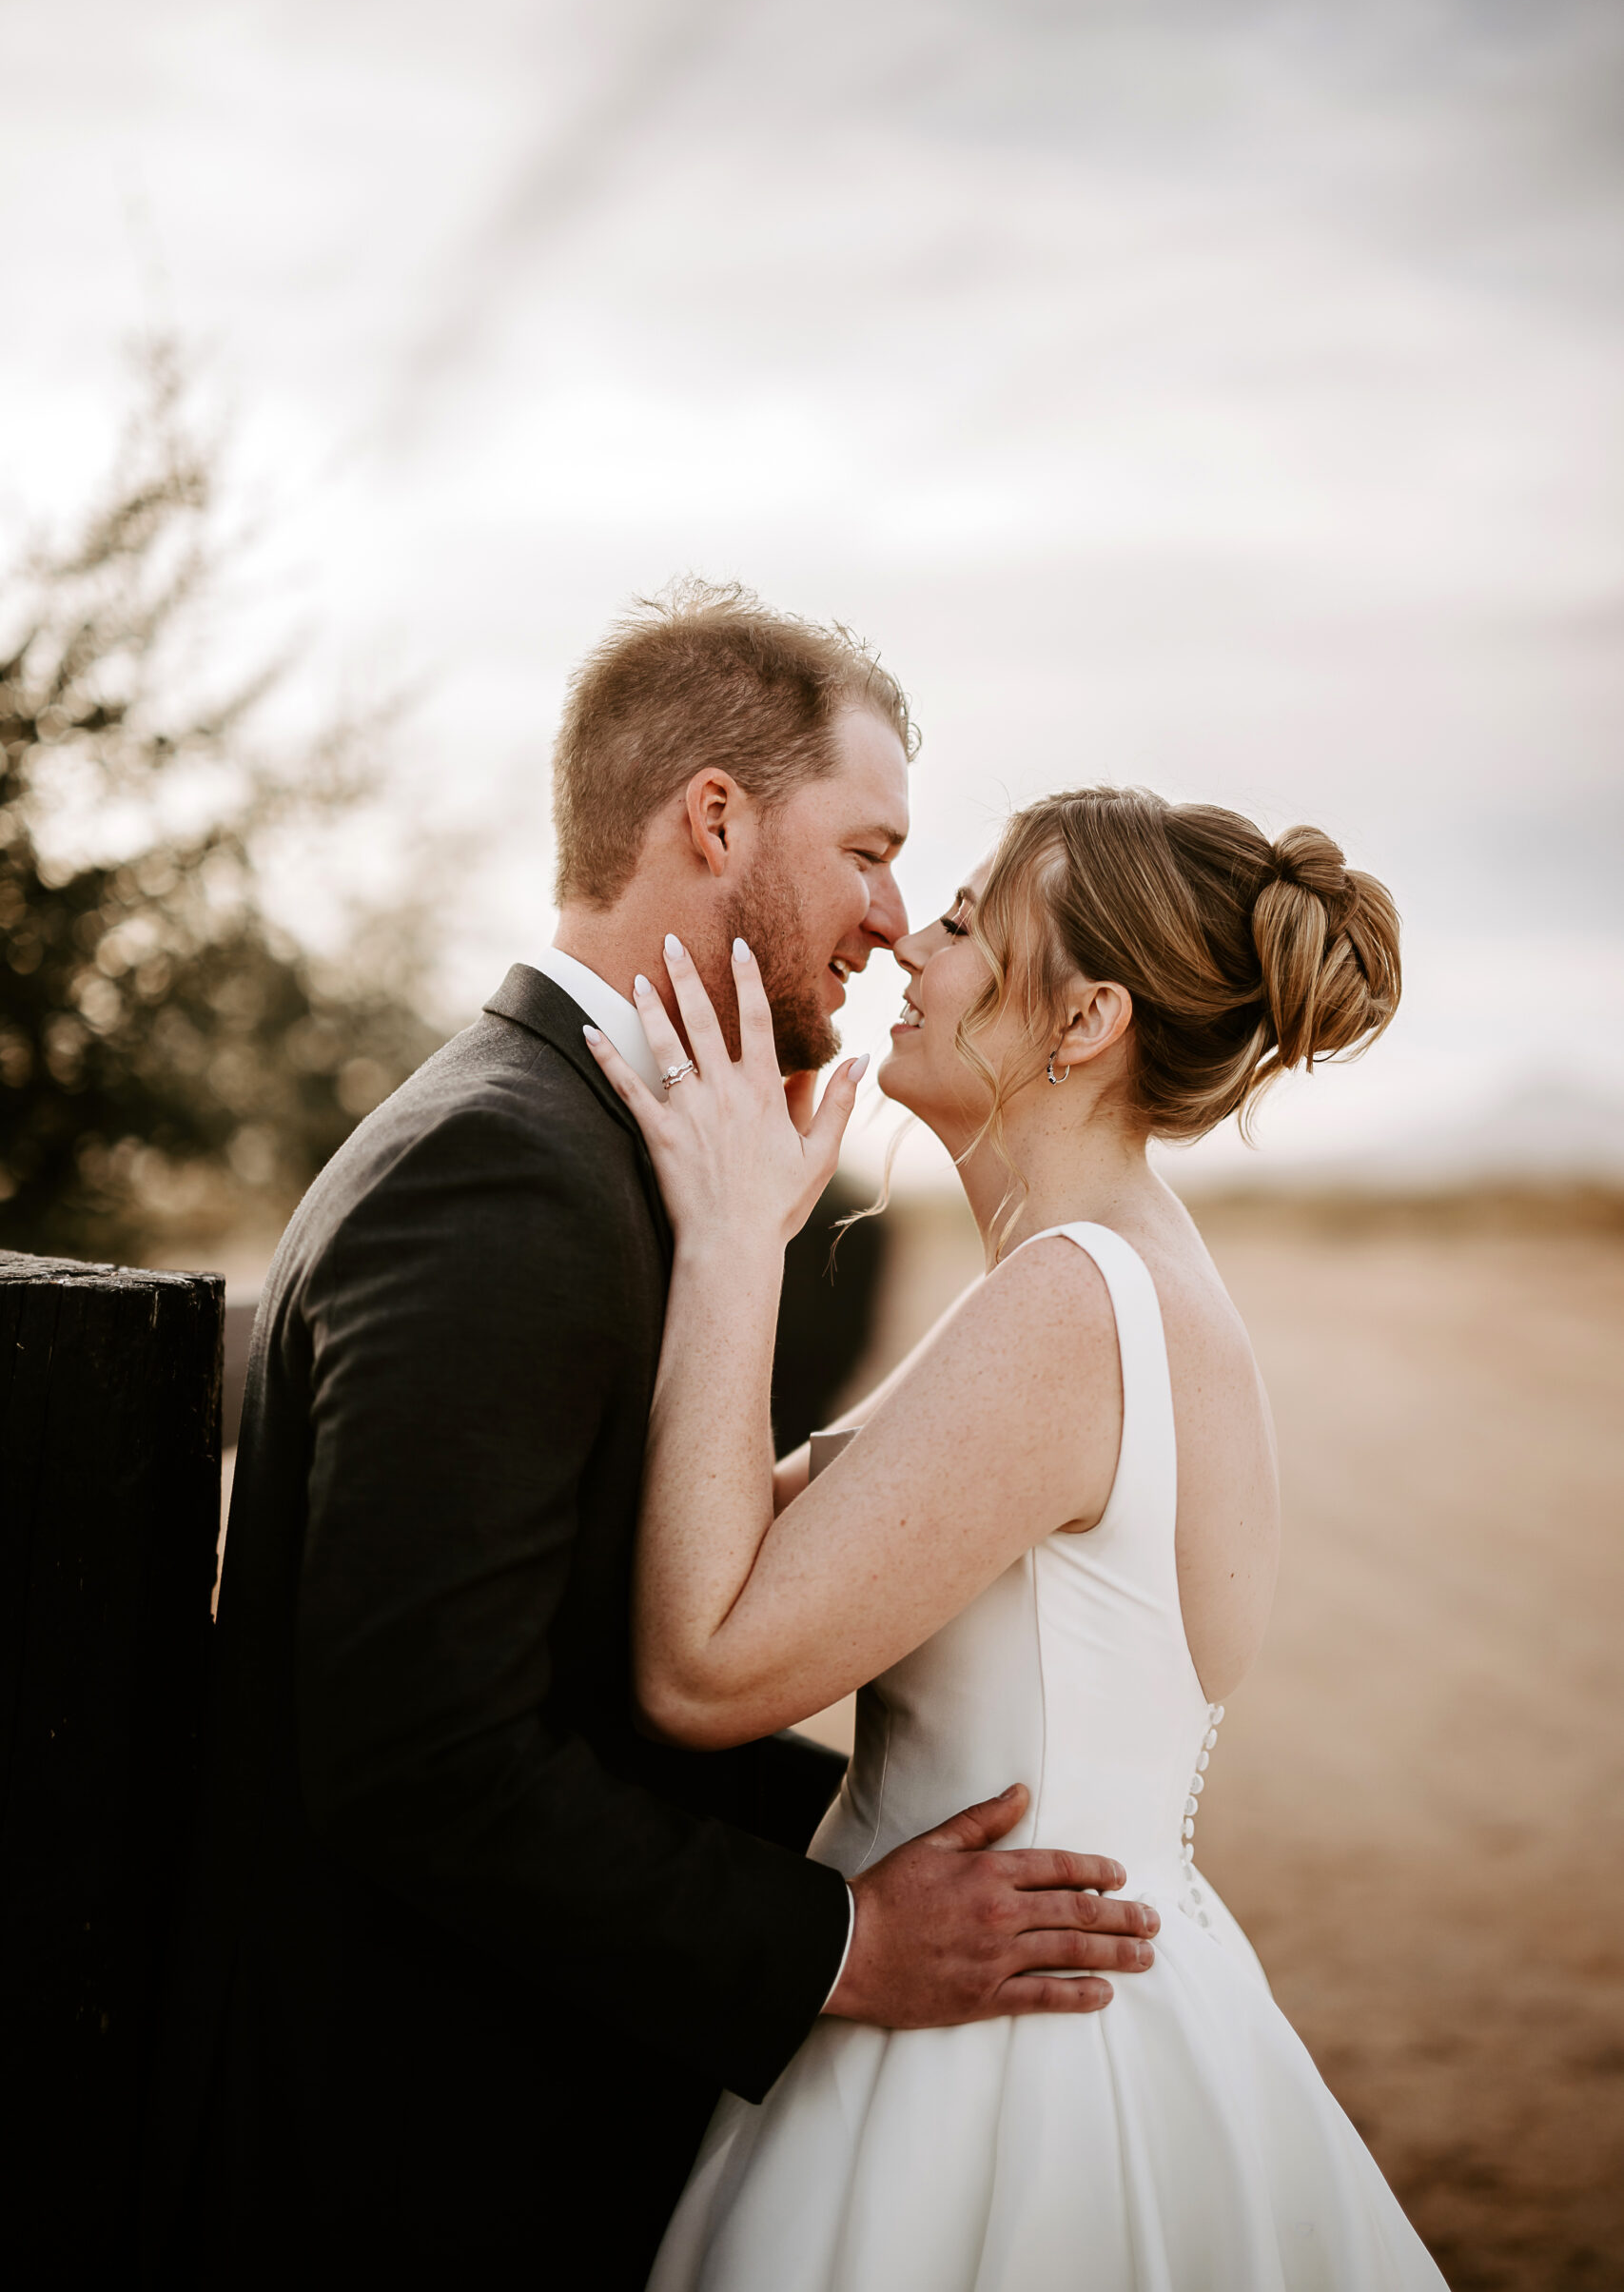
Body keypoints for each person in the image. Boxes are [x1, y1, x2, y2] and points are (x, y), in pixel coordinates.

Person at [140, 591, 1157, 2290]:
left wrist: (873, 1831)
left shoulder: (587, 1144)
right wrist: (838, 1938)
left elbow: (562, 1683)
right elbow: (424, 1760)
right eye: (873, 849)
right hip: (406, 2170)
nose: (896, 922)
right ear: (714, 817)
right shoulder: (506, 1172)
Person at [585, 784, 1449, 2290]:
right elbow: (746, 1539)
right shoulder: (1088, 1279)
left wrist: (735, 1245)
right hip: (1051, 1991)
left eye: (973, 923)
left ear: (1087, 1018)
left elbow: (707, 1665)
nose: (912, 945)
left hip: (1010, 2065)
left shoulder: (1072, 1304)